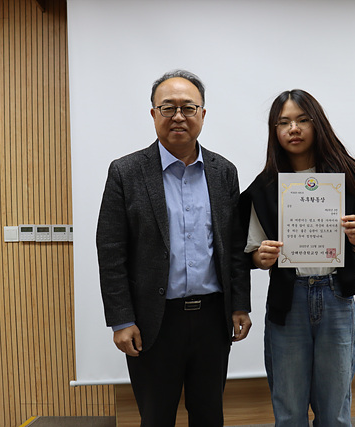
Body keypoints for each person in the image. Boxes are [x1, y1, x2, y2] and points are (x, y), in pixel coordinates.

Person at [96, 69, 252, 427]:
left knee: (209, 416)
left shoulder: (223, 172)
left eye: (188, 107)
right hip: (154, 321)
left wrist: (240, 304)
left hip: (212, 319)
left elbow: (234, 247)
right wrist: (122, 320)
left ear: (202, 114)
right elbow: (111, 250)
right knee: (156, 417)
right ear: (153, 114)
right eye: (168, 108)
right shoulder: (126, 172)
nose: (178, 116)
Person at [239, 89, 355, 427]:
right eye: (283, 122)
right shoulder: (263, 188)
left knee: (335, 412)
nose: (293, 129)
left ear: (317, 124)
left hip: (336, 295)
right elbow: (253, 252)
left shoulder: (344, 179)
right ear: (274, 130)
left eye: (302, 120)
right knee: (289, 411)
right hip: (289, 298)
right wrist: (262, 257)